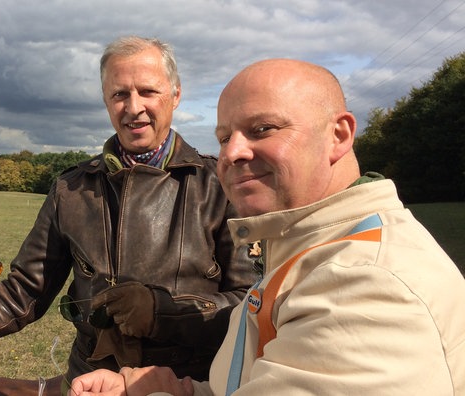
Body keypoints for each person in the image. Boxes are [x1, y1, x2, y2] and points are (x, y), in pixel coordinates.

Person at [0, 36, 256, 394]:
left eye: (148, 91)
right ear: (105, 100)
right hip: (88, 382)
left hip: (181, 385)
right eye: (120, 94)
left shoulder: (218, 184)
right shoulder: (71, 188)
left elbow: (249, 309)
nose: (134, 107)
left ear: (174, 94)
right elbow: (22, 295)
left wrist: (161, 313)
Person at [69, 58, 465, 395]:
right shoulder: (305, 249)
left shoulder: (364, 285)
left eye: (263, 130)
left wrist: (162, 317)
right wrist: (175, 387)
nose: (232, 153)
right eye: (225, 137)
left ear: (339, 135)